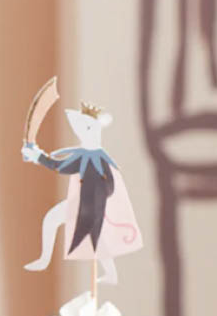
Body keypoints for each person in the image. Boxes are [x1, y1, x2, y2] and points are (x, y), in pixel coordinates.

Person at [21, 103, 142, 284]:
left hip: (88, 206)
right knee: (76, 230)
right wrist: (37, 155)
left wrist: (37, 156)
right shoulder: (91, 156)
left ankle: (109, 274)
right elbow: (60, 166)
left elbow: (60, 167)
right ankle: (47, 260)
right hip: (85, 204)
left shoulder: (93, 158)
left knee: (90, 237)